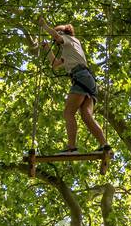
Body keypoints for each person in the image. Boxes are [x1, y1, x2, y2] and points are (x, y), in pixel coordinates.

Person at [36, 20, 109, 153]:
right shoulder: (69, 49)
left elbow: (57, 37)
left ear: (63, 33)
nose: (56, 39)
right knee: (86, 115)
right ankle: (105, 146)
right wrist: (47, 48)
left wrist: (45, 26)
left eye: (58, 34)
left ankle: (71, 147)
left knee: (68, 112)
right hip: (88, 80)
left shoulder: (70, 39)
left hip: (80, 77)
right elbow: (55, 64)